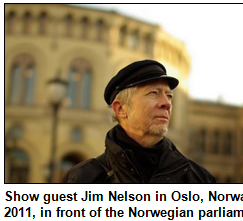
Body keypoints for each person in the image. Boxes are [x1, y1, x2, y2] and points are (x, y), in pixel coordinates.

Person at [62, 60, 215, 183]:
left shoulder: (199, 179)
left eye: (169, 96)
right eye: (154, 93)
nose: (166, 103)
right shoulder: (83, 179)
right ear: (120, 108)